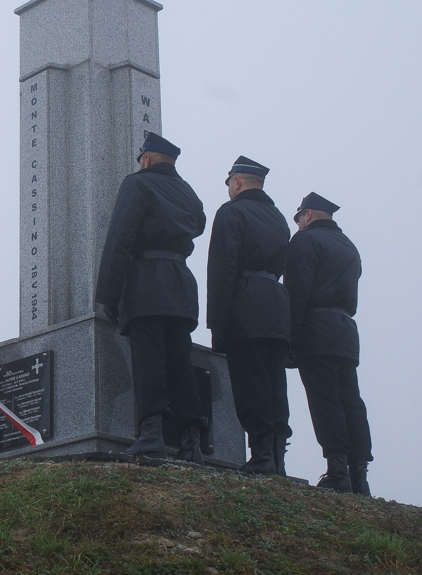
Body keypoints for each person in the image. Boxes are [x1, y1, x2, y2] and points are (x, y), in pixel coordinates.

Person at [95, 132, 207, 461]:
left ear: (145, 158)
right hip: (180, 283)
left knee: (149, 360)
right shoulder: (189, 193)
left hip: (146, 280)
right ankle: (191, 442)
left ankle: (151, 434)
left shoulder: (138, 184)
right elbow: (198, 225)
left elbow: (121, 238)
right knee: (181, 363)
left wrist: (109, 294)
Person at [207, 156, 291, 475]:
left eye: (229, 182)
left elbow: (222, 270)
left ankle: (261, 456)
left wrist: (218, 323)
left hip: (245, 307)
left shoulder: (232, 212)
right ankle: (277, 457)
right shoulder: (279, 218)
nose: (229, 188)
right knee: (274, 384)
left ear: (237, 182)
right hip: (276, 307)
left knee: (250, 383)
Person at [285, 193, 372, 495]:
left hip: (315, 330)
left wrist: (289, 337)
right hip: (345, 332)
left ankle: (337, 471)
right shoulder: (349, 246)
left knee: (325, 402)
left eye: (298, 220)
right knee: (351, 401)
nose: (297, 226)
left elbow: (296, 293)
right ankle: (359, 474)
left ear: (307, 215)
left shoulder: (305, 241)